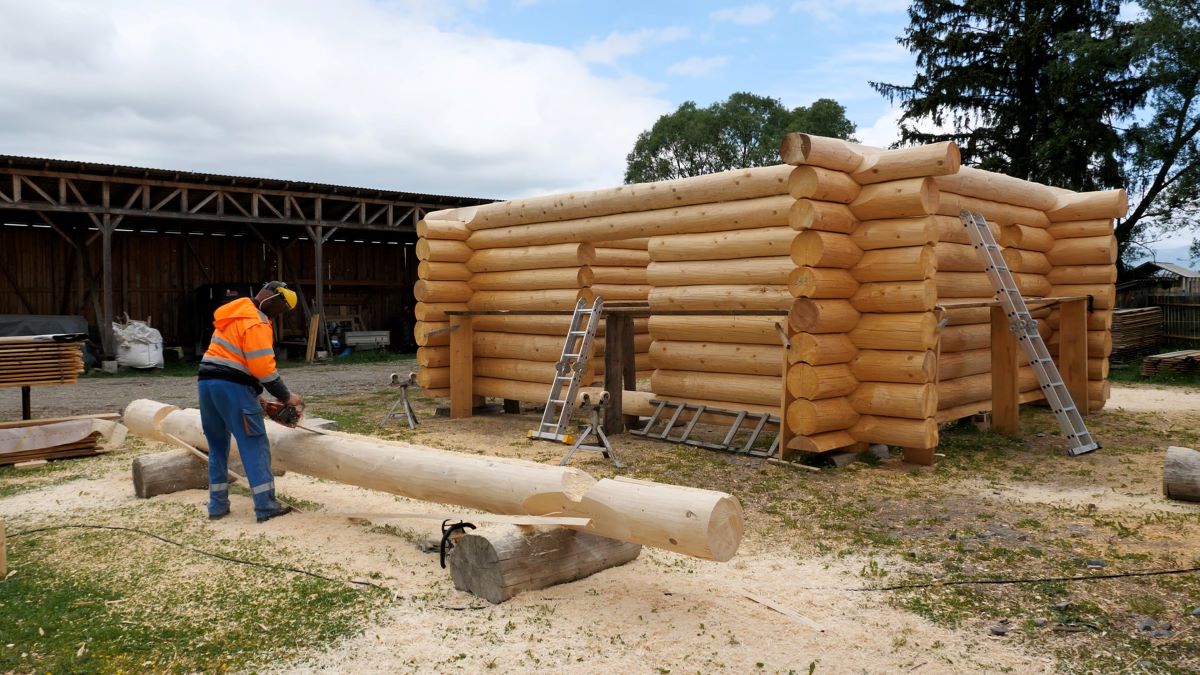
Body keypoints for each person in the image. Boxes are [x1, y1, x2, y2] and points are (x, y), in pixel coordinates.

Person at [197, 281, 302, 523]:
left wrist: (257, 397)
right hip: (232, 387)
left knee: (217, 446)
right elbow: (262, 368)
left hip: (207, 385)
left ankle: (217, 506)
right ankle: (266, 507)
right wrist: (286, 397)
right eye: (282, 307)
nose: (281, 313)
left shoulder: (233, 314)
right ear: (272, 298)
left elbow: (234, 362)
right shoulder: (257, 322)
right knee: (254, 444)